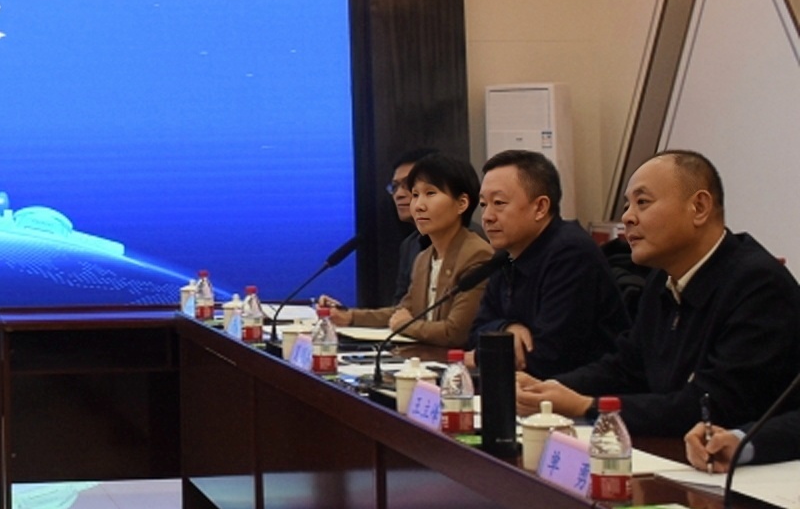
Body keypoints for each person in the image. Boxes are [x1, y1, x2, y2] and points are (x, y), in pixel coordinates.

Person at [521, 152, 800, 438]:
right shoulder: (661, 279)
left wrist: (587, 406)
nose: (627, 217)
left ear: (699, 207)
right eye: (627, 205)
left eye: (643, 202)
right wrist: (548, 389)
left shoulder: (759, 285)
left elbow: (715, 406)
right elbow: (627, 367)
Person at [470, 149, 626, 377]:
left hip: (582, 391)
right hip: (528, 386)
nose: (487, 216)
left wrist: (479, 355)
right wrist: (506, 328)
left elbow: (548, 357)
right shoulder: (507, 255)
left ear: (540, 207)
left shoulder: (571, 253)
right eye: (484, 204)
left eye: (499, 203)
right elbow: (476, 332)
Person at [323, 153, 493, 347]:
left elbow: (454, 333)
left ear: (462, 203)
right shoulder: (423, 258)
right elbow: (402, 312)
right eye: (416, 195)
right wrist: (350, 316)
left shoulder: (477, 254)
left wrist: (406, 325)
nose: (418, 206)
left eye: (430, 193)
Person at [388, 148, 440, 303]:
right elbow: (400, 306)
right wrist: (348, 314)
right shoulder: (410, 245)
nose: (399, 194)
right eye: (395, 187)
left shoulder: (470, 241)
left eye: (408, 184)